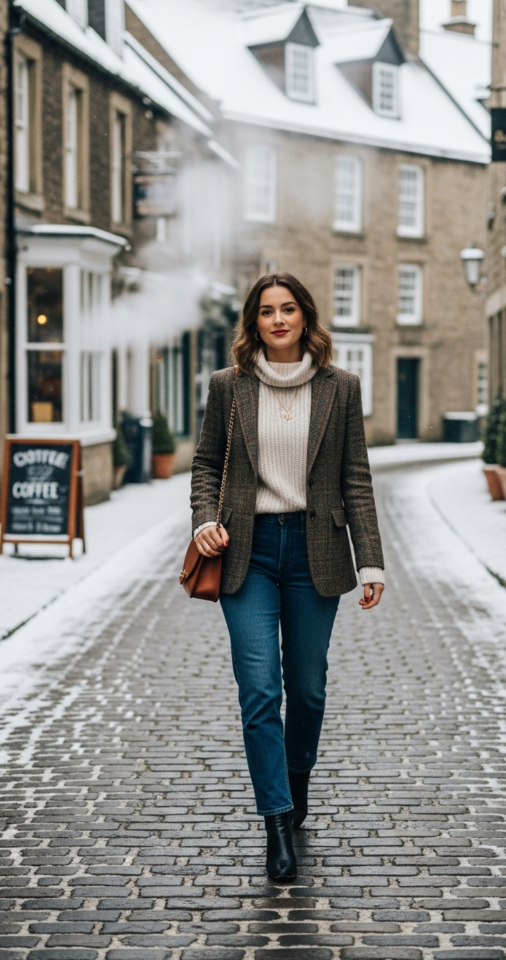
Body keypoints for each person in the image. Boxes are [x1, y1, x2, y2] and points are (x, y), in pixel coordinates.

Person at [190, 273, 384, 881]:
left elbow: (356, 476)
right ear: (253, 322)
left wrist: (370, 557)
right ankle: (276, 820)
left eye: (289, 309)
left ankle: (296, 785)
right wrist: (203, 520)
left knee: (306, 689)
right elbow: (203, 464)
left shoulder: (340, 387)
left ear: (305, 317)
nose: (278, 320)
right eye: (267, 311)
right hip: (245, 552)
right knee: (259, 690)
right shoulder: (229, 386)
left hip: (314, 551)